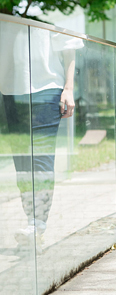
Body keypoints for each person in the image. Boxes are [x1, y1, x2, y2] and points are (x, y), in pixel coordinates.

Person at [0, 23, 82, 250]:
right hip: (9, 88)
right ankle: (32, 222)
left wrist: (68, 88)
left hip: (47, 87)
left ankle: (37, 223)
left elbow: (69, 44)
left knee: (41, 158)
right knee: (22, 161)